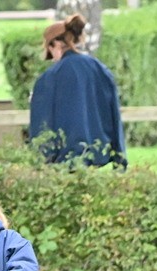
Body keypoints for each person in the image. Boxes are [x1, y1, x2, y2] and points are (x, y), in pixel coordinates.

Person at [29, 13, 126, 169]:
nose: (52, 58)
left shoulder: (50, 78)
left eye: (49, 51)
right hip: (100, 155)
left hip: (63, 162)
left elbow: (42, 125)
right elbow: (113, 113)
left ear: (56, 44)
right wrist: (120, 157)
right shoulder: (100, 70)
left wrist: (41, 160)